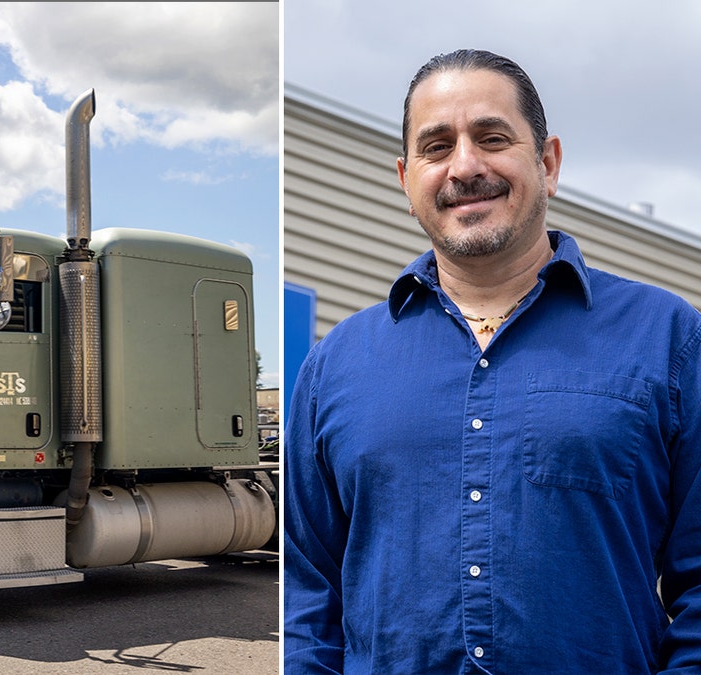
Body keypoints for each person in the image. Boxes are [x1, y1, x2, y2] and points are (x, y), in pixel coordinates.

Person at [283, 48, 701, 673]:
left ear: (548, 162)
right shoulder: (335, 365)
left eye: (492, 137)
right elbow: (305, 597)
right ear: (405, 179)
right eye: (436, 146)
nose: (465, 166)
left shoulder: (669, 340)